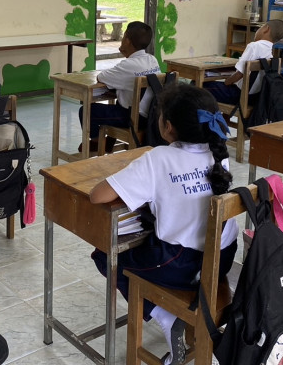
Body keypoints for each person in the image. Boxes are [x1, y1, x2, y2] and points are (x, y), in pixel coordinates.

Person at [89, 84, 238, 365]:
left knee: (105, 255)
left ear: (167, 126)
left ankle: (166, 317)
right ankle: (171, 316)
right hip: (223, 257)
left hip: (182, 264)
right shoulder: (219, 153)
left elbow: (98, 195)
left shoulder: (158, 158)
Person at [80, 21, 160, 152]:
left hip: (133, 118)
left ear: (127, 41)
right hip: (152, 115)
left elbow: (101, 77)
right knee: (120, 100)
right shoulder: (152, 59)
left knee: (86, 111)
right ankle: (109, 140)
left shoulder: (128, 65)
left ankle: (96, 142)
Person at [205, 19, 283, 104]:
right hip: (255, 97)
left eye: (261, 27)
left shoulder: (254, 46)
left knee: (200, 85)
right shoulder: (269, 51)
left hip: (238, 95)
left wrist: (226, 83)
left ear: (266, 29)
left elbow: (239, 74)